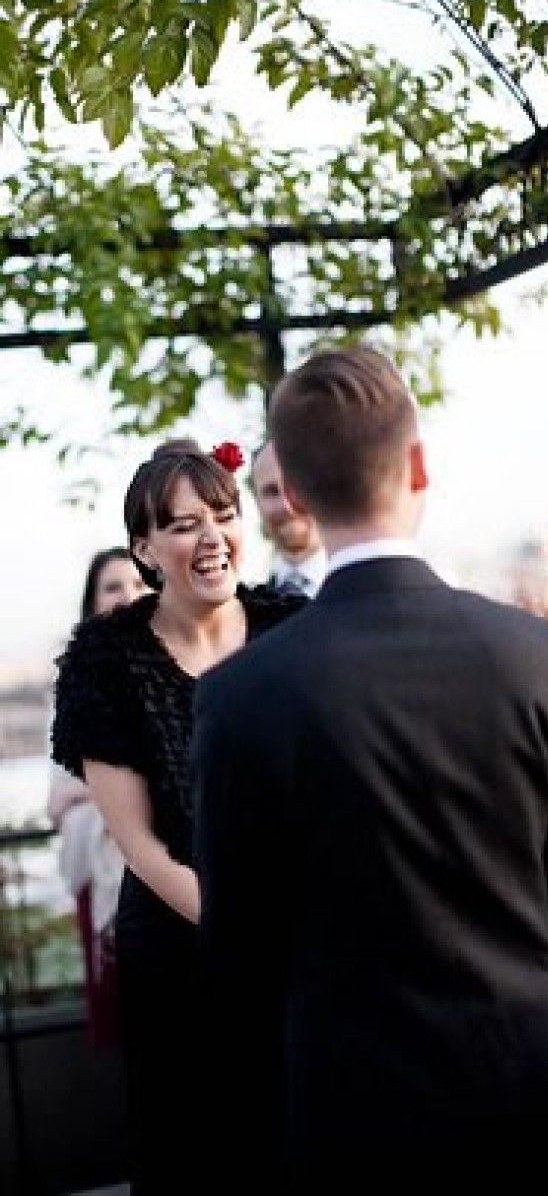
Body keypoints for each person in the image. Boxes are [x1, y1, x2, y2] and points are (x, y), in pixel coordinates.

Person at [191, 345, 548, 1190]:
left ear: (292, 493)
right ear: (418, 464)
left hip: (357, 1107)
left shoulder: (241, 696)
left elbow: (240, 943)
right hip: (540, 1087)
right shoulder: (536, 654)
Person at [51, 437, 304, 1194]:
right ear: (145, 548)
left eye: (223, 515)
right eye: (185, 523)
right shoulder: (105, 658)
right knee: (196, 1154)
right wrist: (247, 927)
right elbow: (141, 847)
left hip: (303, 941)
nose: (212, 537)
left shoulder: (293, 624)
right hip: (177, 942)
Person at [47, 547, 146, 1045]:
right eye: (112, 586)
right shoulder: (75, 684)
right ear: (92, 603)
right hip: (103, 869)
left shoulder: (180, 663)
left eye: (136, 583)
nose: (127, 595)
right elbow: (60, 790)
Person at [251, 437, 326, 596]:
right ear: (257, 502)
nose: (286, 505)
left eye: (296, 488)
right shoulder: (246, 608)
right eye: (271, 491)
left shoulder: (366, 595)